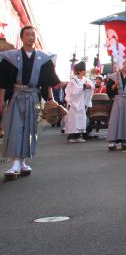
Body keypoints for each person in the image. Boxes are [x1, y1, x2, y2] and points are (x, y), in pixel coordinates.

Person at [0, 25, 61, 179]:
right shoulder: (11, 57)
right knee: (15, 128)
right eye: (27, 34)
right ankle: (14, 162)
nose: (31, 37)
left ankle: (23, 162)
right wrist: (1, 99)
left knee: (29, 129)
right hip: (16, 95)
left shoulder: (43, 58)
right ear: (22, 38)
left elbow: (47, 81)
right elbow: (3, 81)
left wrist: (51, 99)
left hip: (33, 96)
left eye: (33, 34)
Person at [64, 61, 95, 142]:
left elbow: (92, 85)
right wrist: (84, 87)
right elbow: (74, 91)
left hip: (81, 103)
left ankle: (78, 135)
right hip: (74, 103)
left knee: (81, 119)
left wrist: (89, 86)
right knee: (73, 119)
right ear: (79, 71)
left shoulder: (85, 79)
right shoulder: (73, 80)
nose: (85, 72)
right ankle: (71, 136)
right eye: (83, 70)